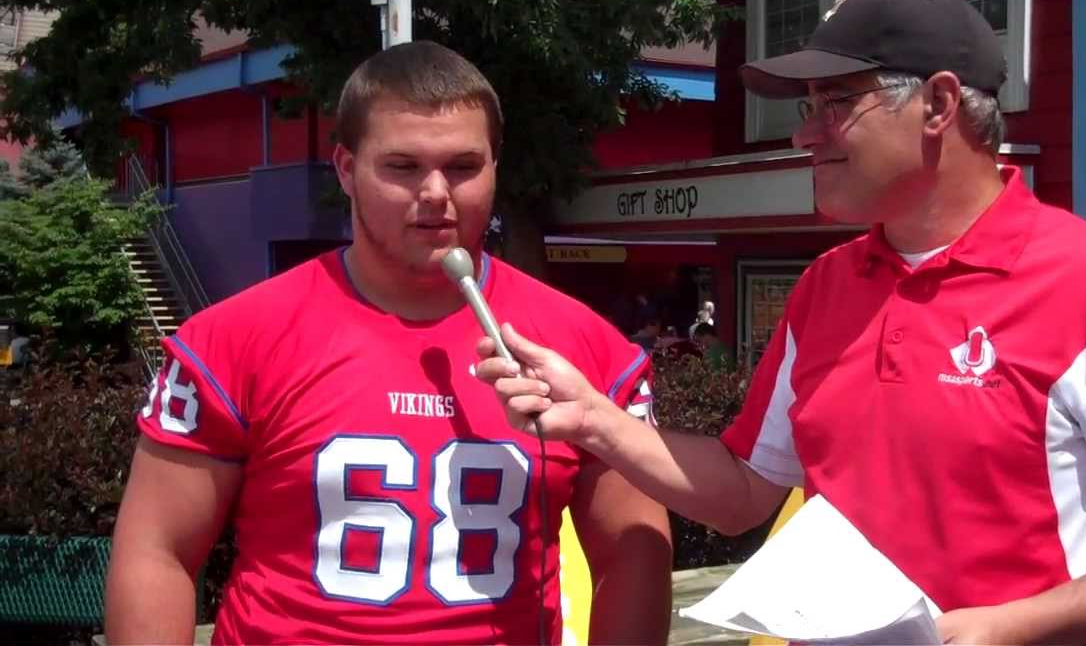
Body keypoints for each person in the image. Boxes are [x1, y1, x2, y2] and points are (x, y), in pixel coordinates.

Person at [476, 0, 1086, 645]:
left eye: (837, 103)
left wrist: (1009, 626)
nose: (806, 134)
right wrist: (595, 420)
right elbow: (746, 488)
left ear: (941, 104)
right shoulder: (825, 287)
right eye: (807, 107)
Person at [105, 41, 672, 645]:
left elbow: (633, 551)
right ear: (346, 169)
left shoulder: (586, 348)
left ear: (495, 167)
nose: (435, 192)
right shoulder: (233, 339)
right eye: (402, 166)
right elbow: (157, 551)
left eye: (463, 166)